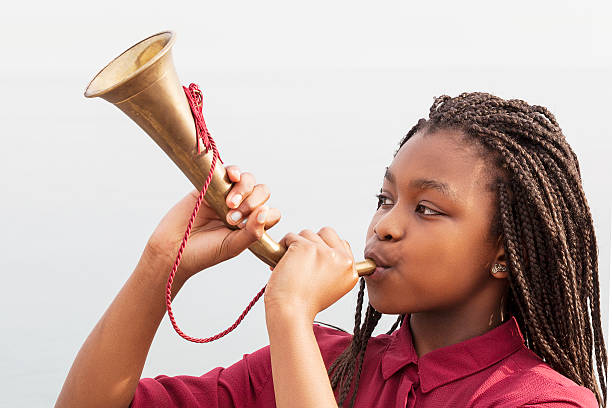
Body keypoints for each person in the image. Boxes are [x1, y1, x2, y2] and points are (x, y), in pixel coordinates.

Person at [56, 92, 606, 407]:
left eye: (427, 209)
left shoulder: (543, 402)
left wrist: (291, 314)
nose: (385, 226)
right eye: (384, 198)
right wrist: (160, 265)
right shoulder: (323, 362)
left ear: (506, 252)